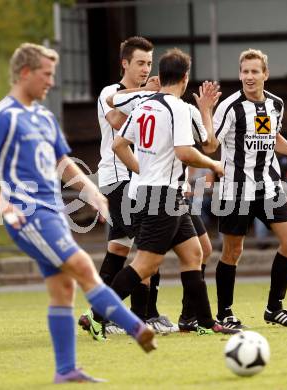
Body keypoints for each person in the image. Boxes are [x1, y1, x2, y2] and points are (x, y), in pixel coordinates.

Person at [0, 43, 156, 384]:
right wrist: (2, 203)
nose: (51, 82)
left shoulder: (44, 117)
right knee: (84, 266)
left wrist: (93, 194)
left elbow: (63, 163)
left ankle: (66, 370)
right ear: (25, 73)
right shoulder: (4, 114)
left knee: (63, 289)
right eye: (46, 74)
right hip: (27, 213)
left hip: (53, 212)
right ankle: (136, 328)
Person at [111, 48, 239, 337]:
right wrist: (215, 165)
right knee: (147, 263)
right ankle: (96, 313)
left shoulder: (144, 106)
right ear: (185, 77)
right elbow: (191, 152)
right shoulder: (179, 108)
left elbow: (118, 145)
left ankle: (205, 323)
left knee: (195, 252)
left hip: (151, 193)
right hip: (162, 195)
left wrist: (142, 169)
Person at [206, 48, 287, 329]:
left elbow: (273, 136)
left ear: (265, 74)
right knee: (232, 251)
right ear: (240, 73)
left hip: (269, 186)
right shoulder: (229, 106)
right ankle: (225, 313)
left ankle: (274, 308)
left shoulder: (276, 104)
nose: (249, 76)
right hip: (236, 190)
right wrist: (205, 110)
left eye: (255, 71)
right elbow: (210, 145)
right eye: (245, 71)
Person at [79, 36, 177, 336]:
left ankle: (96, 314)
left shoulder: (149, 94)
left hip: (136, 181)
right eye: (140, 63)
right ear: (125, 63)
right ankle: (144, 315)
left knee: (118, 250)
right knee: (150, 247)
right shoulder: (111, 92)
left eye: (149, 63)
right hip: (117, 179)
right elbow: (118, 122)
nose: (146, 69)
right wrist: (144, 95)